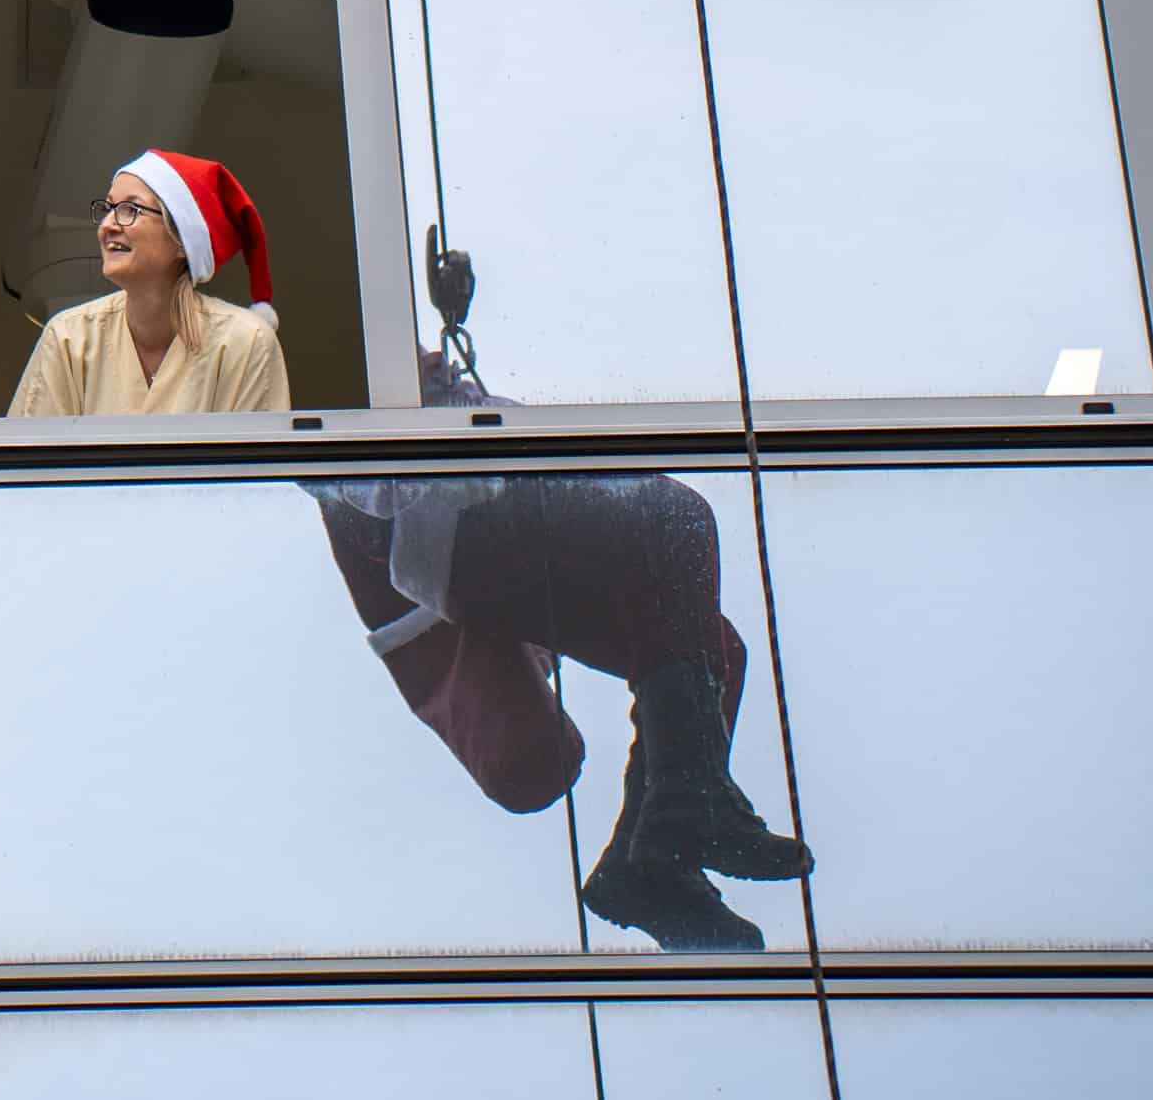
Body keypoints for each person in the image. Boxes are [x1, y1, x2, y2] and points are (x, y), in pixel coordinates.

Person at [311, 336, 816, 952]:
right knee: (675, 519)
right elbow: (346, 464)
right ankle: (687, 809)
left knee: (713, 645)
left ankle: (647, 859)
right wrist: (424, 412)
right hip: (460, 519)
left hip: (470, 517)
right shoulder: (322, 367)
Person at [4, 151, 291, 418]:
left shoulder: (247, 342)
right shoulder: (68, 338)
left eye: (130, 209)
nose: (107, 225)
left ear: (182, 242)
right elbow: (28, 466)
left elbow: (254, 469)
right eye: (108, 208)